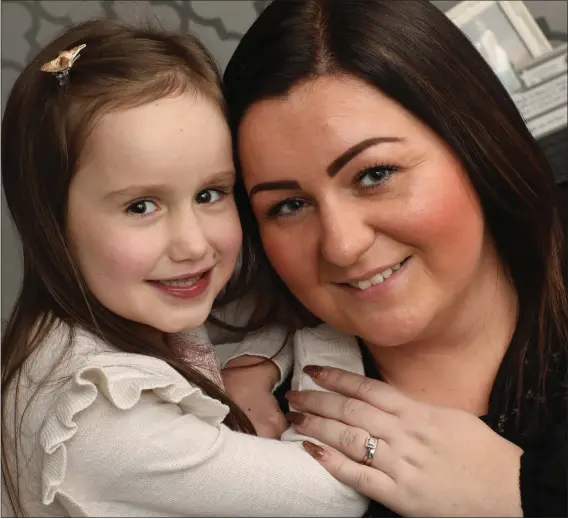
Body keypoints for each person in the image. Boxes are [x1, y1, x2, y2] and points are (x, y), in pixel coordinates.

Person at [0, 19, 369, 517]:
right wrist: (339, 325)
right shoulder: (102, 419)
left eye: (210, 193)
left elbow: (256, 321)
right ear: (51, 223)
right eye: (140, 207)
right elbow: (335, 491)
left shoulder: (97, 316)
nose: (193, 245)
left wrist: (250, 364)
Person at [222, 0, 568, 516]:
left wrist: (517, 500)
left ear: (474, 145)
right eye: (288, 206)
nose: (342, 245)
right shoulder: (253, 444)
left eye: (374, 174)